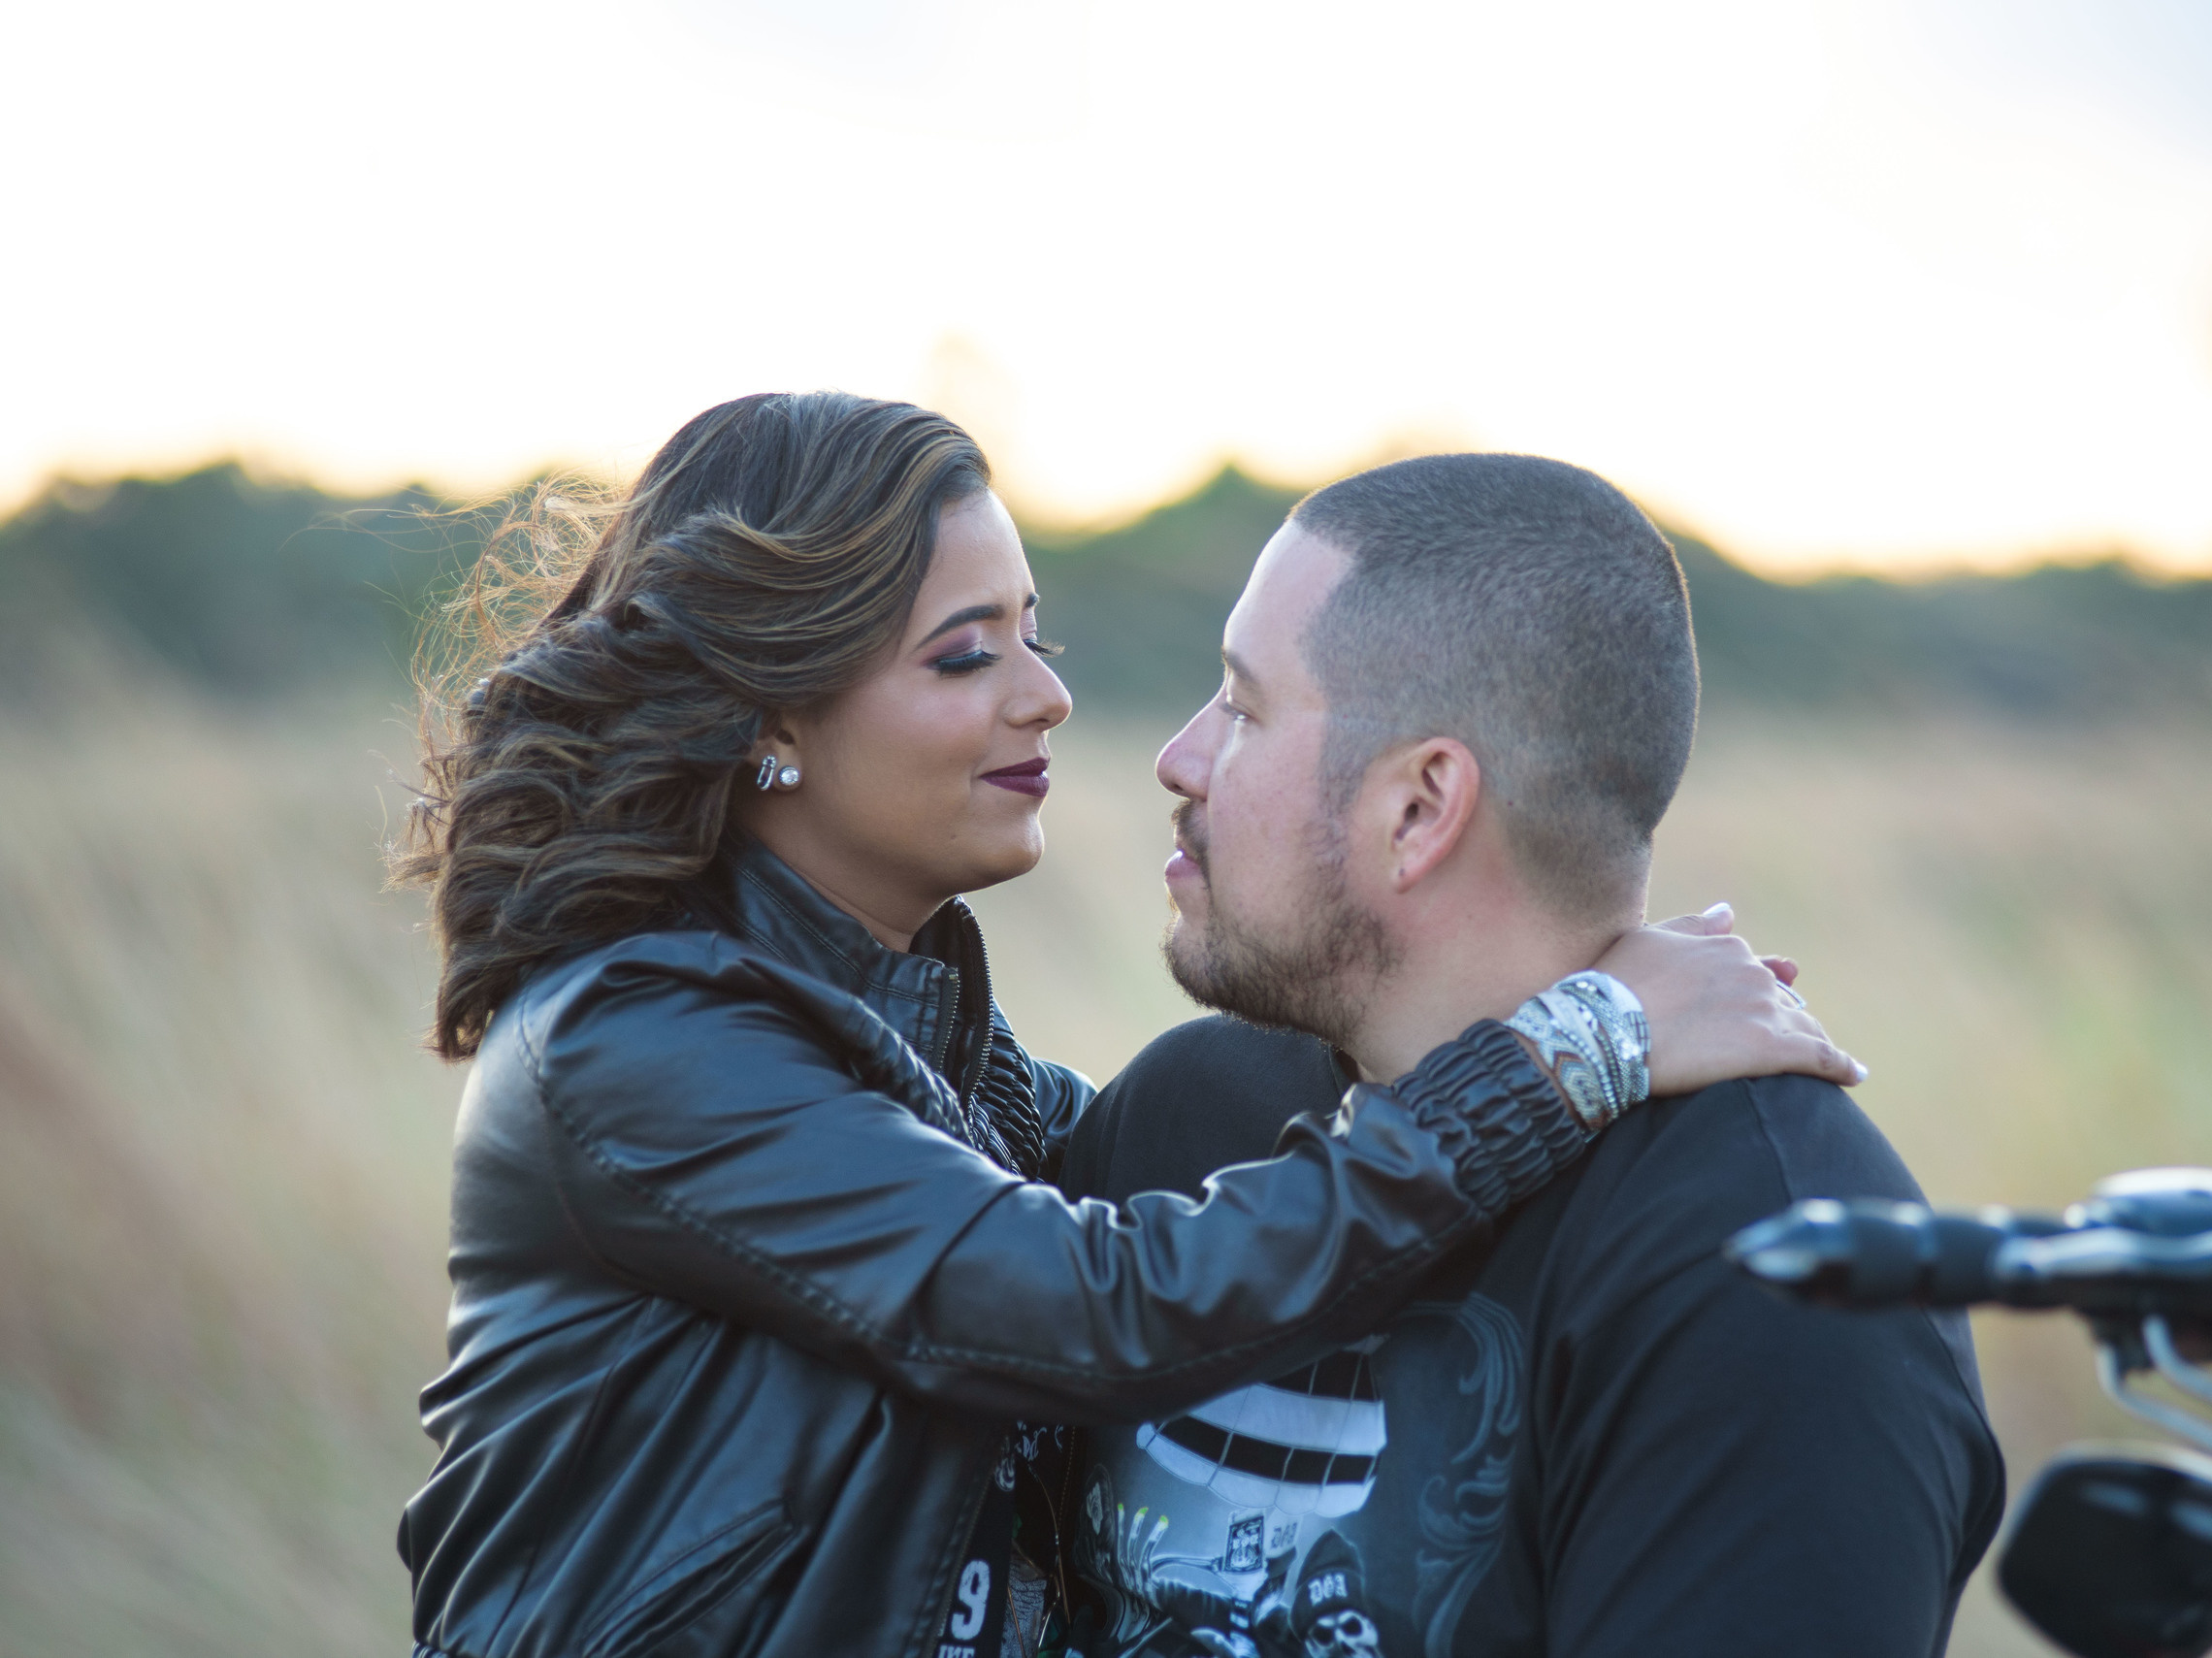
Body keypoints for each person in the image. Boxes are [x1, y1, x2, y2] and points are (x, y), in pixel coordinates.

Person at [387, 393, 1860, 1658]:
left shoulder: (916, 1039)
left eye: (1038, 636)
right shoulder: (635, 1047)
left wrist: (1445, 1008)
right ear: (769, 717)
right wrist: (1574, 1047)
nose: (1050, 699)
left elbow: (1115, 1183)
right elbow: (1091, 1304)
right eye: (966, 656)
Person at [1057, 454, 2005, 1657]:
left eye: (1243, 707)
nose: (1180, 757)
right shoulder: (1186, 1115)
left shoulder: (1777, 1275)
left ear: (1419, 806)